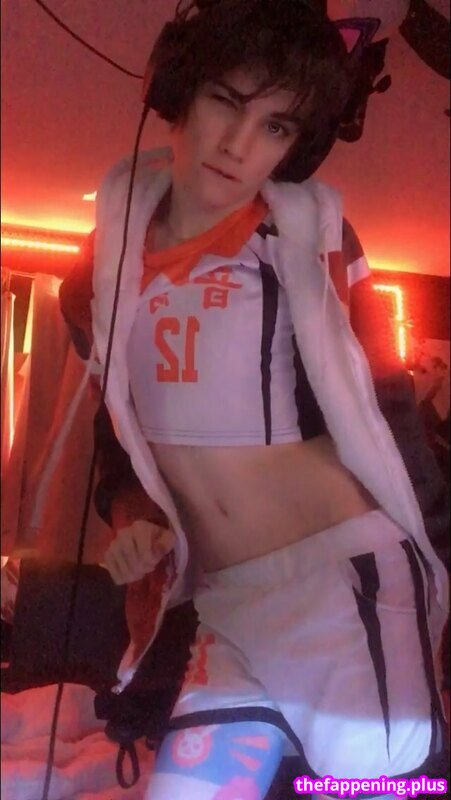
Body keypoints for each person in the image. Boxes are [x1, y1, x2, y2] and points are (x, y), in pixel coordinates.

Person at [59, 1, 449, 798]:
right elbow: (120, 439)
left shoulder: (303, 240)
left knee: (379, 787)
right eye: (225, 102)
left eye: (275, 125)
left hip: (339, 583)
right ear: (177, 91)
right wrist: (134, 518)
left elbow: (387, 417)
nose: (240, 144)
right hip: (225, 601)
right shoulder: (96, 271)